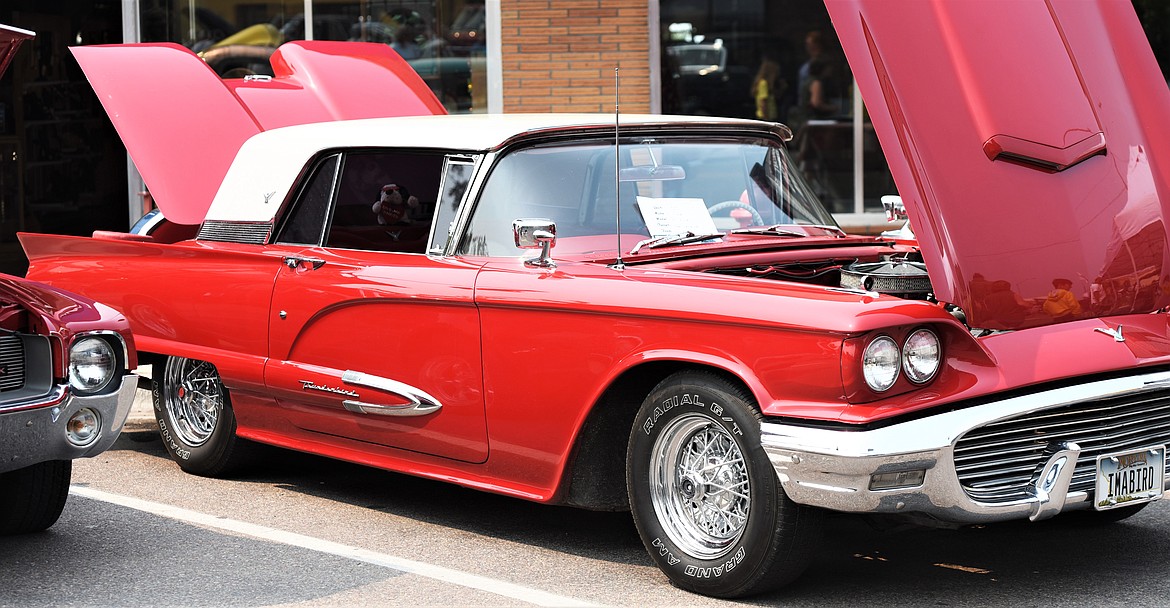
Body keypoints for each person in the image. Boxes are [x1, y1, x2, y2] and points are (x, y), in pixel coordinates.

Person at [751, 56, 783, 122]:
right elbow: (763, 102)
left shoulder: (768, 85)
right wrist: (766, 119)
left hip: (769, 117)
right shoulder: (763, 83)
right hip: (765, 118)